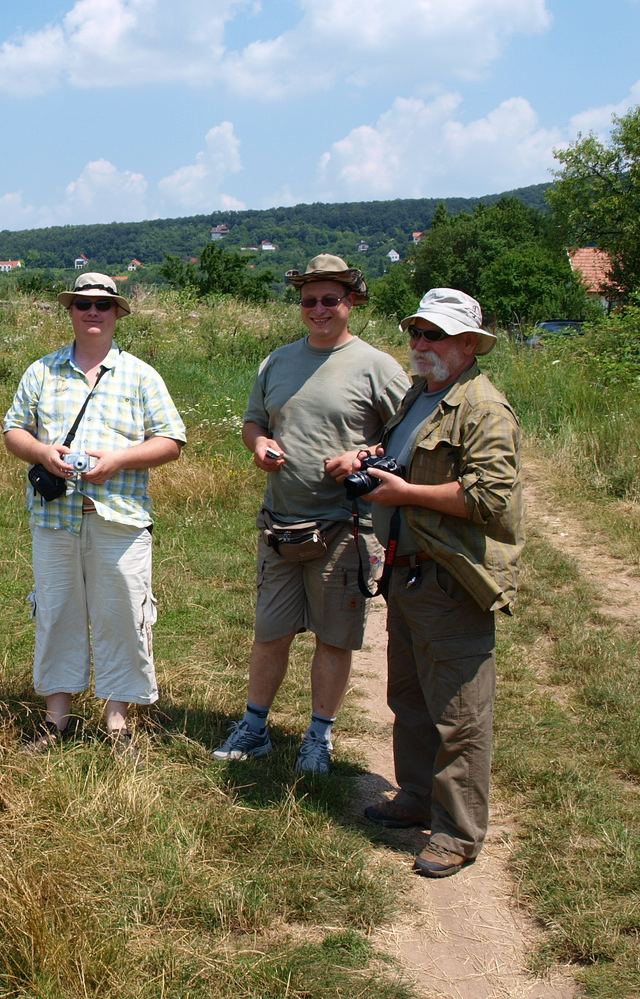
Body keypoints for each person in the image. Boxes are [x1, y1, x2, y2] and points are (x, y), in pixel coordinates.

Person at [326, 287, 523, 878]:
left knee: (459, 712)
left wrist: (405, 494)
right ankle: (415, 797)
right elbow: (405, 452)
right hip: (408, 573)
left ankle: (458, 833)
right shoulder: (425, 393)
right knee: (409, 699)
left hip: (451, 577)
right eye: (416, 332)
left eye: (434, 335)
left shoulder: (484, 408)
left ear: (468, 344)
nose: (420, 344)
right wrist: (370, 457)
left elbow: (489, 496)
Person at [212, 255, 410, 773]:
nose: (318, 309)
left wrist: (362, 457)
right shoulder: (278, 361)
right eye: (309, 301)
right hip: (280, 523)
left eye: (330, 299)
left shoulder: (377, 367)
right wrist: (259, 445)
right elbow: (254, 422)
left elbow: (410, 440)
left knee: (333, 636)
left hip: (344, 528)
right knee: (270, 632)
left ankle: (318, 737)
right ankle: (255, 728)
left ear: (351, 303)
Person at [2, 272, 186, 757]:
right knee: (57, 611)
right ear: (70, 310)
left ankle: (117, 722)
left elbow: (172, 441)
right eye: (82, 303)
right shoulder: (41, 371)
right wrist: (43, 453)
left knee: (123, 613)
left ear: (117, 313)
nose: (92, 312)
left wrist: (118, 461)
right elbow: (13, 431)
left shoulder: (142, 375)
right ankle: (56, 718)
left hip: (120, 518)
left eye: (103, 305)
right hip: (55, 520)